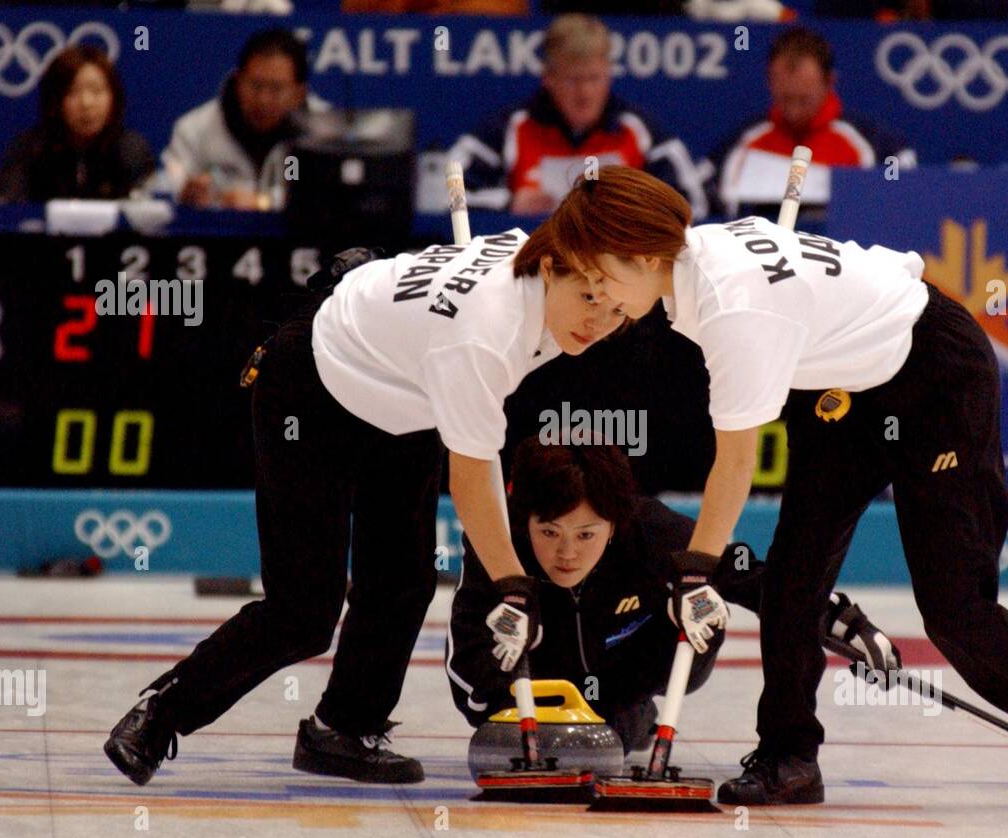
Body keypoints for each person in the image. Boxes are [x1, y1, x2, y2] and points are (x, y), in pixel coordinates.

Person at [542, 166, 1008, 808]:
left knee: (953, 601)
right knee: (793, 583)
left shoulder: (733, 307)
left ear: (646, 254)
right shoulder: (697, 268)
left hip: (932, 374)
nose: (597, 294)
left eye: (603, 276)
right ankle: (789, 757)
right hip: (839, 387)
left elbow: (733, 465)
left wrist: (695, 570)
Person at [104, 223, 634, 786]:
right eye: (589, 300)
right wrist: (512, 585)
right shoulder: (486, 337)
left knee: (403, 581)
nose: (599, 323)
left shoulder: (542, 278)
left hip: (403, 392)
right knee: (303, 611)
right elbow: (472, 476)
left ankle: (344, 728)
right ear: (549, 269)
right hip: (313, 384)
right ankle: (162, 713)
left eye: (618, 311)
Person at [447, 435, 895, 753]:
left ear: (615, 524)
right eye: (549, 532)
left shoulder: (652, 531)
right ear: (525, 521)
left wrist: (842, 622)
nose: (566, 553)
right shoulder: (496, 543)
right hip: (530, 684)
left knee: (697, 595)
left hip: (627, 674)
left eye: (586, 534)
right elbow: (465, 657)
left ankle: (633, 714)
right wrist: (502, 705)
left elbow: (754, 578)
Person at [447, 14, 707, 217]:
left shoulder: (640, 131)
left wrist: (638, 212)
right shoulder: (510, 128)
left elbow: (693, 204)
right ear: (548, 78)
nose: (585, 93)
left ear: (609, 74)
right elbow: (448, 190)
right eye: (573, 80)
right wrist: (509, 203)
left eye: (594, 79)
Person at [709, 27, 915, 219]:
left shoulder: (876, 148)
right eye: (785, 98)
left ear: (829, 82)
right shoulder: (740, 147)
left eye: (804, 99)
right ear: (770, 81)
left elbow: (903, 204)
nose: (794, 112)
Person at [153, 28, 324, 210]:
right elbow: (164, 190)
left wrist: (262, 202)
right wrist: (183, 193)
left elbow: (331, 201)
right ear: (238, 81)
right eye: (255, 85)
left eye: (276, 89)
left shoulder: (326, 135)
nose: (263, 99)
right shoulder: (195, 129)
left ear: (299, 93)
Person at [0, 45, 153, 203]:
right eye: (73, 92)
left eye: (97, 91)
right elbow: (7, 206)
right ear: (55, 100)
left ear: (114, 97)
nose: (86, 103)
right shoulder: (29, 148)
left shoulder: (132, 150)